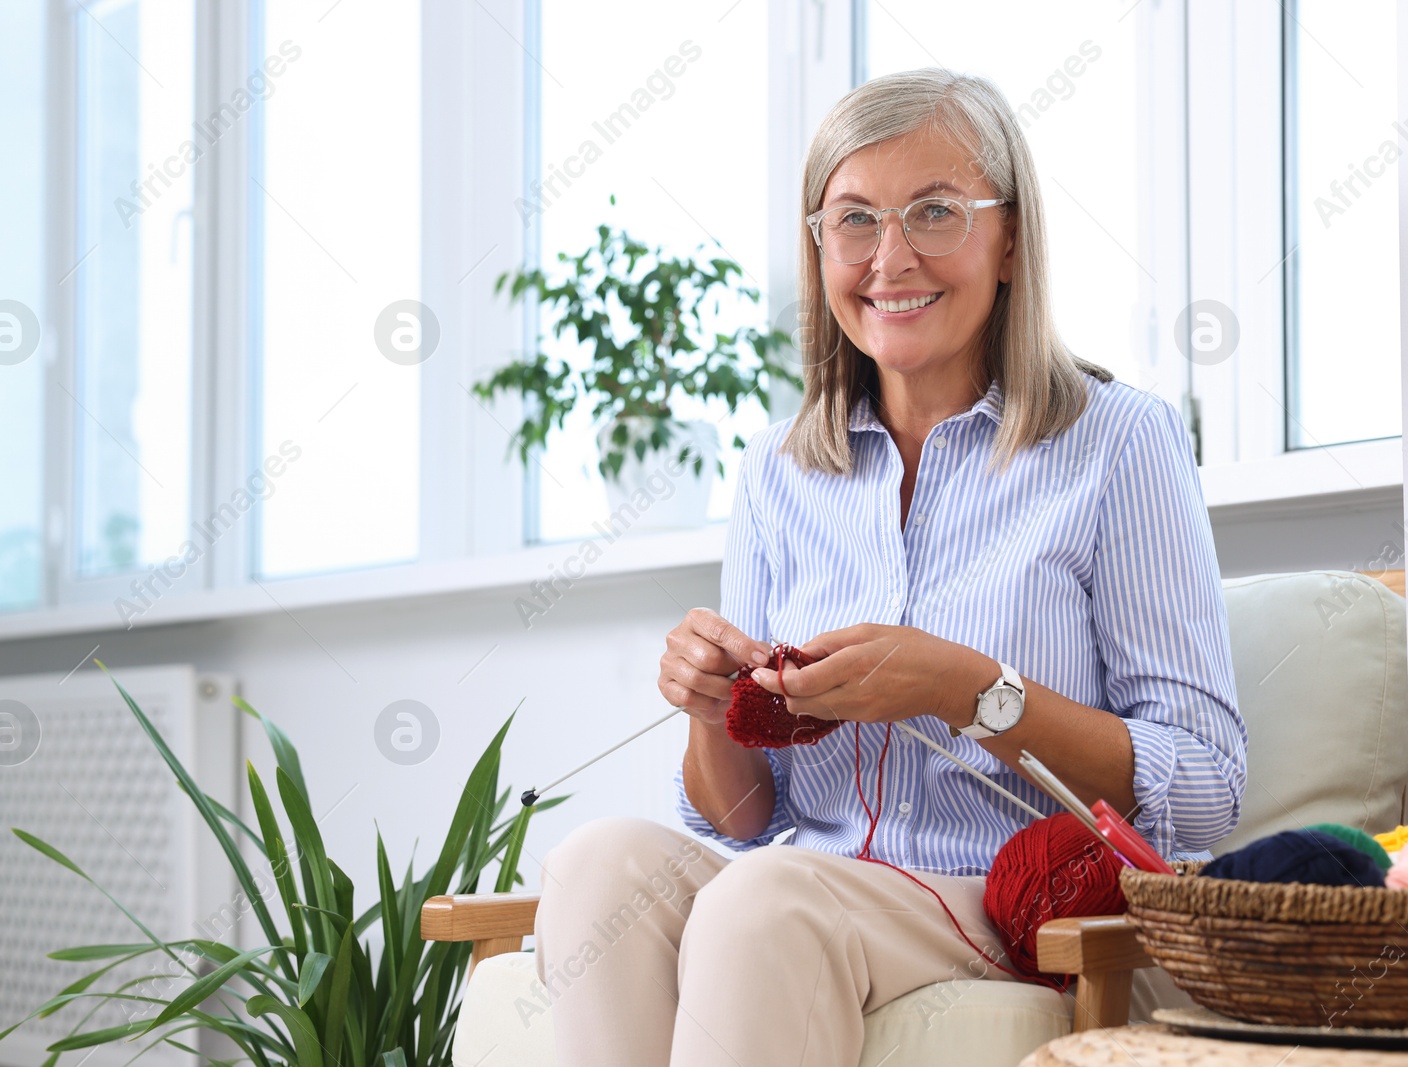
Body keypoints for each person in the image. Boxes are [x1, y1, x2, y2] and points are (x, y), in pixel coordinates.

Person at [533, 67, 1246, 1067]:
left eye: (935, 212)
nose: (890, 256)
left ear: (1008, 240)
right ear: (819, 245)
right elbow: (749, 815)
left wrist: (970, 689)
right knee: (594, 862)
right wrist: (712, 706)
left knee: (769, 895)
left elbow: (1207, 785)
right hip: (806, 881)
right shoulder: (778, 474)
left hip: (1000, 896)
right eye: (854, 219)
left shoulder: (1119, 442)